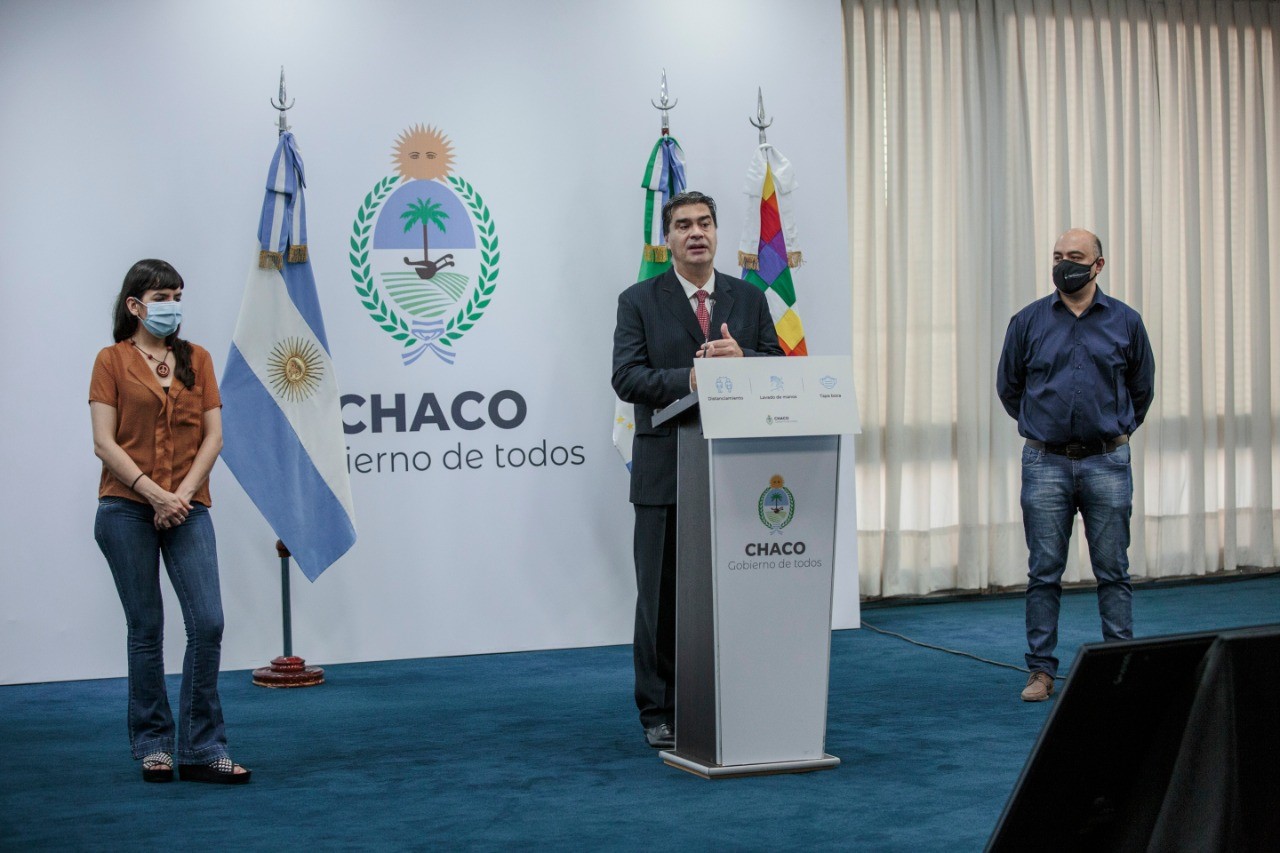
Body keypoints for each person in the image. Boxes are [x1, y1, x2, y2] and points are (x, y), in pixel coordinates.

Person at [612, 191, 783, 747]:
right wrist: (690, 378)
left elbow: (777, 368)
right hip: (665, 470)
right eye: (683, 225)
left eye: (705, 223)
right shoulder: (639, 300)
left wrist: (743, 361)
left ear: (715, 231)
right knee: (661, 599)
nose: (696, 233)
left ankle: (731, 697)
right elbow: (626, 377)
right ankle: (658, 710)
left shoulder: (748, 298)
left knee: (735, 593)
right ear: (668, 239)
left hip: (737, 471)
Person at [89, 259, 251, 783]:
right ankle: (154, 744)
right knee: (146, 628)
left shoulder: (197, 358)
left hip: (187, 506)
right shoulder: (111, 361)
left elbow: (214, 437)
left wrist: (179, 496)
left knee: (208, 623)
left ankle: (202, 748)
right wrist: (155, 494)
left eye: (178, 296)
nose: (172, 306)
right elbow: (104, 443)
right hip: (125, 507)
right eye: (162, 298)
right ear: (135, 305)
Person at [997, 229, 1155, 702]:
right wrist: (1044, 424)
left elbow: (1142, 389)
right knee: (1044, 572)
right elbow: (1010, 388)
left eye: (1075, 256)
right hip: (1044, 461)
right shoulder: (1027, 321)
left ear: (1098, 265)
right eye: (1058, 255)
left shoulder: (1126, 321)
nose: (1064, 263)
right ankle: (1041, 672)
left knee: (1114, 571)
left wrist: (1114, 431)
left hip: (1108, 461)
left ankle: (1119, 667)